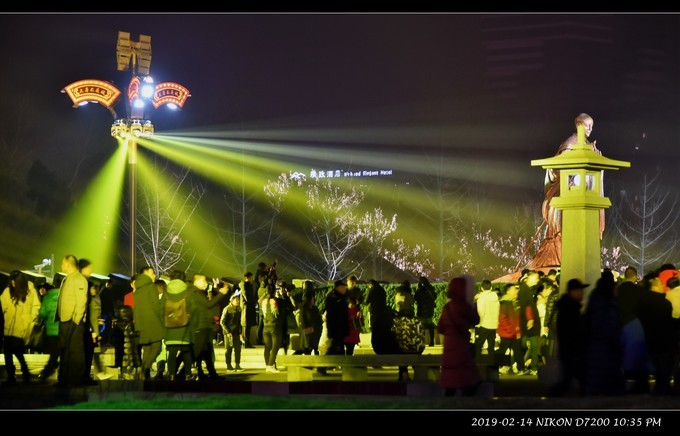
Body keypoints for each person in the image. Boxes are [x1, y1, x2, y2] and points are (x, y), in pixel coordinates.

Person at [544, 113, 605, 240]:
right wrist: (573, 178)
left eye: (592, 126)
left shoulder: (587, 144)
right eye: (588, 126)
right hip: (569, 194)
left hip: (585, 194)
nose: (590, 129)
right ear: (579, 125)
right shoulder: (569, 144)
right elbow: (558, 168)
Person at [438, 275, 481, 396]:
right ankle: (466, 401)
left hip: (449, 346)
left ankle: (450, 401)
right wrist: (474, 304)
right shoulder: (464, 306)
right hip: (461, 345)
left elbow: (440, 327)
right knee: (468, 377)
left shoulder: (447, 307)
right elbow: (475, 320)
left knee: (452, 378)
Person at [549, 278, 588, 397]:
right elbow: (573, 331)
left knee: (570, 379)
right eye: (580, 290)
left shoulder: (568, 307)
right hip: (572, 350)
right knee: (574, 379)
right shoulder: (570, 309)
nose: (583, 293)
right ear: (573, 292)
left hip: (569, 350)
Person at [1, 270, 41, 385]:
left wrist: (30, 319)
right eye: (11, 281)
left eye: (14, 281)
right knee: (9, 352)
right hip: (8, 326)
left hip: (21, 327)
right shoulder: (7, 291)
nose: (12, 283)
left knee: (15, 350)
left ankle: (21, 374)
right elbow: (2, 306)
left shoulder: (30, 291)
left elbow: (36, 306)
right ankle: (13, 376)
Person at [55, 254, 89, 387]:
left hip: (73, 321)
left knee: (75, 351)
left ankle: (76, 380)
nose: (61, 265)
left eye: (63, 263)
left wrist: (76, 320)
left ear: (69, 264)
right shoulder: (67, 279)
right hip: (65, 319)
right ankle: (64, 379)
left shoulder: (79, 279)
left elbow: (81, 302)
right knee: (65, 350)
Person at [132, 266, 164, 380]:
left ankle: (144, 375)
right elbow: (157, 306)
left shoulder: (138, 288)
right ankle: (145, 368)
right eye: (152, 273)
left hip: (141, 323)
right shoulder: (151, 287)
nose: (154, 275)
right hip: (153, 322)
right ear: (146, 273)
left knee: (146, 349)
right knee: (157, 347)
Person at [37, 277, 61, 382]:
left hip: (51, 330)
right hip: (62, 328)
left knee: (53, 351)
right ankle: (53, 367)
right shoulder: (63, 295)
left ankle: (47, 371)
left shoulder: (48, 297)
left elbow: (42, 313)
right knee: (57, 351)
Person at [474, 279, 499, 364]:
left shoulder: (481, 298)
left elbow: (481, 312)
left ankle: (477, 363)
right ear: (491, 287)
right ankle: (492, 363)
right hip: (494, 325)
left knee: (478, 345)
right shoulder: (495, 297)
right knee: (491, 346)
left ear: (481, 288)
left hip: (484, 324)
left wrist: (479, 323)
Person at [324, 280, 350, 356]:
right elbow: (331, 315)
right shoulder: (333, 298)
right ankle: (325, 362)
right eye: (343, 287)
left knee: (338, 348)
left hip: (341, 328)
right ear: (338, 287)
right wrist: (331, 330)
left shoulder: (343, 297)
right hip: (336, 329)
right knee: (336, 348)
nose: (345, 289)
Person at [221, 291, 244, 371]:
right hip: (229, 332)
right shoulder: (227, 309)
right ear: (232, 300)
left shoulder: (239, 309)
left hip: (236, 332)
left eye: (238, 300)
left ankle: (237, 364)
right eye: (236, 300)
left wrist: (240, 332)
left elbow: (239, 322)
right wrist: (227, 332)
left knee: (238, 349)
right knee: (228, 349)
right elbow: (222, 322)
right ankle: (229, 365)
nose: (238, 301)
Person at [414, 276, 437, 346]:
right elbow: (435, 296)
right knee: (430, 325)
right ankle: (431, 341)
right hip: (429, 310)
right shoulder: (430, 289)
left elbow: (415, 298)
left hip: (421, 310)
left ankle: (422, 341)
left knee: (422, 326)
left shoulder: (419, 290)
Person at [238, 272, 258, 348]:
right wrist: (253, 301)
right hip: (247, 308)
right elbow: (247, 297)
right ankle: (246, 343)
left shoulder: (247, 285)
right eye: (251, 278)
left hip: (247, 307)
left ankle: (246, 342)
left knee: (247, 326)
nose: (252, 279)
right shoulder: (245, 285)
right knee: (247, 326)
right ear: (247, 278)